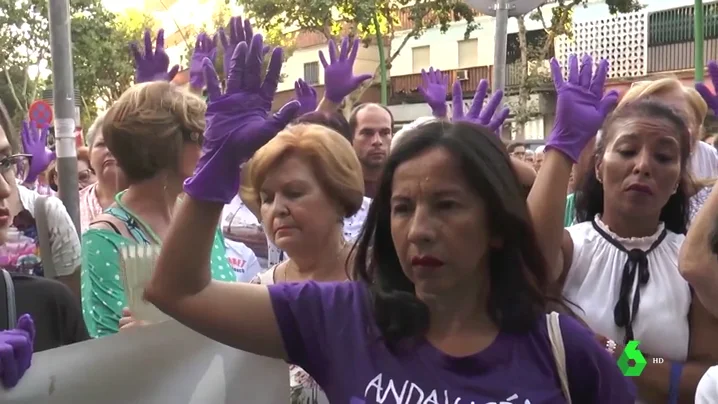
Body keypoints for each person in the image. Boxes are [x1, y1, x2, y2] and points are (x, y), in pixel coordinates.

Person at [144, 35, 634, 403]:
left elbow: (633, 360)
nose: (419, 230)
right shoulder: (339, 318)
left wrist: (666, 371)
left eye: (448, 205)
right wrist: (214, 169)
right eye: (402, 207)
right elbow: (176, 291)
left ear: (498, 226)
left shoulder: (563, 346)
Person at [531, 55, 718, 402]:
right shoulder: (570, 248)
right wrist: (564, 145)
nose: (643, 166)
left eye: (663, 157)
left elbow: (706, 375)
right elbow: (523, 268)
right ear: (600, 168)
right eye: (628, 150)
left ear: (679, 178)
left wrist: (622, 357)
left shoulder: (691, 265)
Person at [80, 79, 235, 338]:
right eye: (197, 136)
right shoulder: (106, 239)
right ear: (165, 145)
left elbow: (233, 308)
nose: (205, 145)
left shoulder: (199, 214)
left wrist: (166, 330)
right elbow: (110, 348)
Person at [243, 122, 364, 403]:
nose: (277, 209)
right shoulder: (259, 292)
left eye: (294, 193)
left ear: (339, 195)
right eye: (267, 198)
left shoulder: (381, 278)